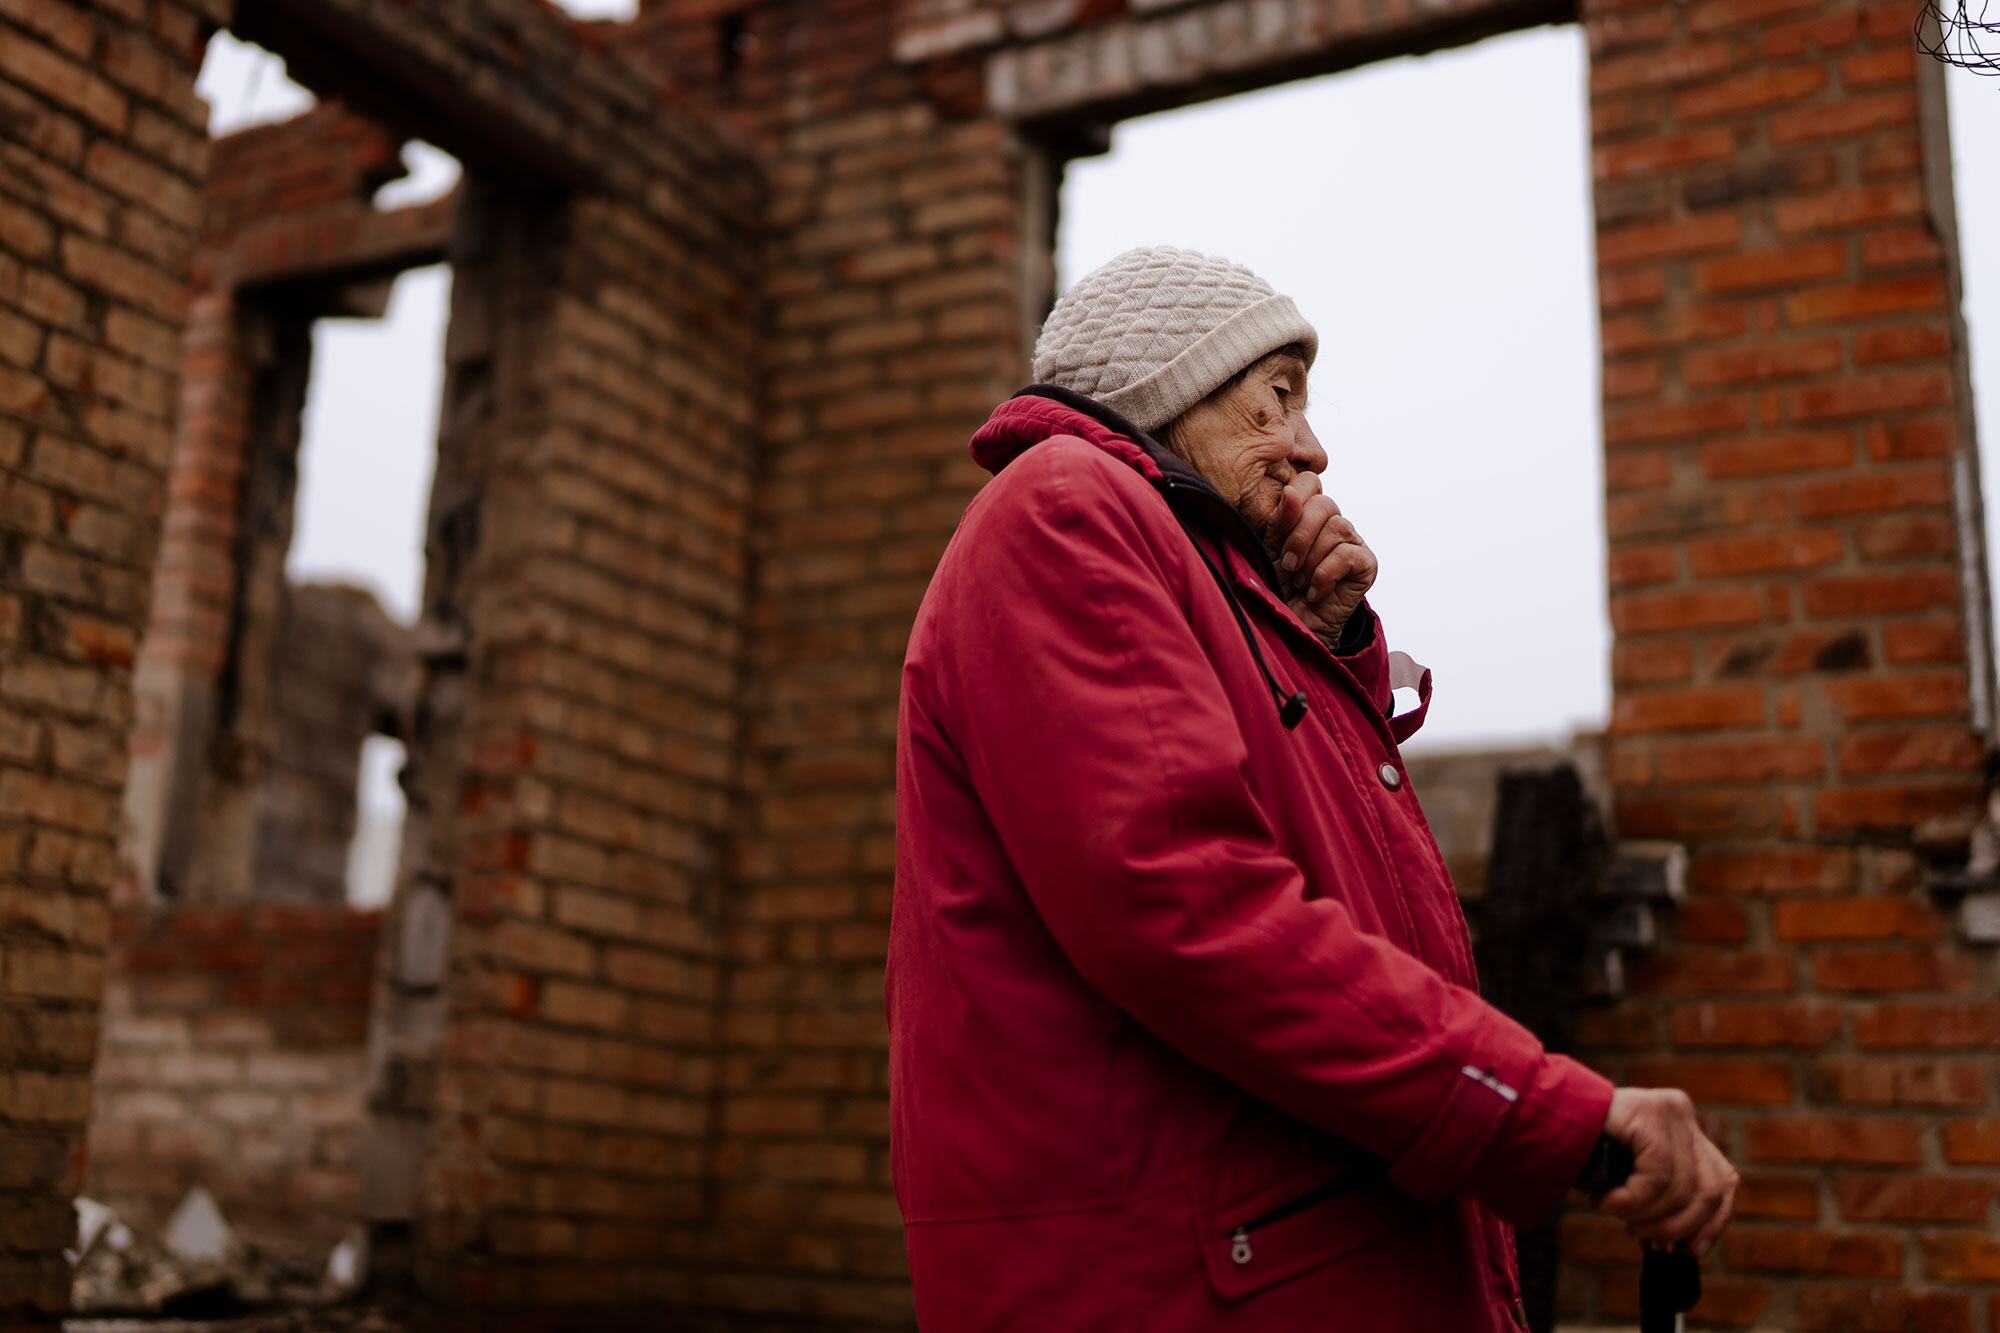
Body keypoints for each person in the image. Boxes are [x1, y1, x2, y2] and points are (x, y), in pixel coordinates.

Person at [886, 246, 1735, 1330]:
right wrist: (1541, 1112)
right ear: (1166, 390)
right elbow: (1189, 904)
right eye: (1275, 398)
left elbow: (1319, 871)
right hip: (1184, 1285)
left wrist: (1318, 645)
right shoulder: (1065, 504)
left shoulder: (1189, 572)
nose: (1310, 445)